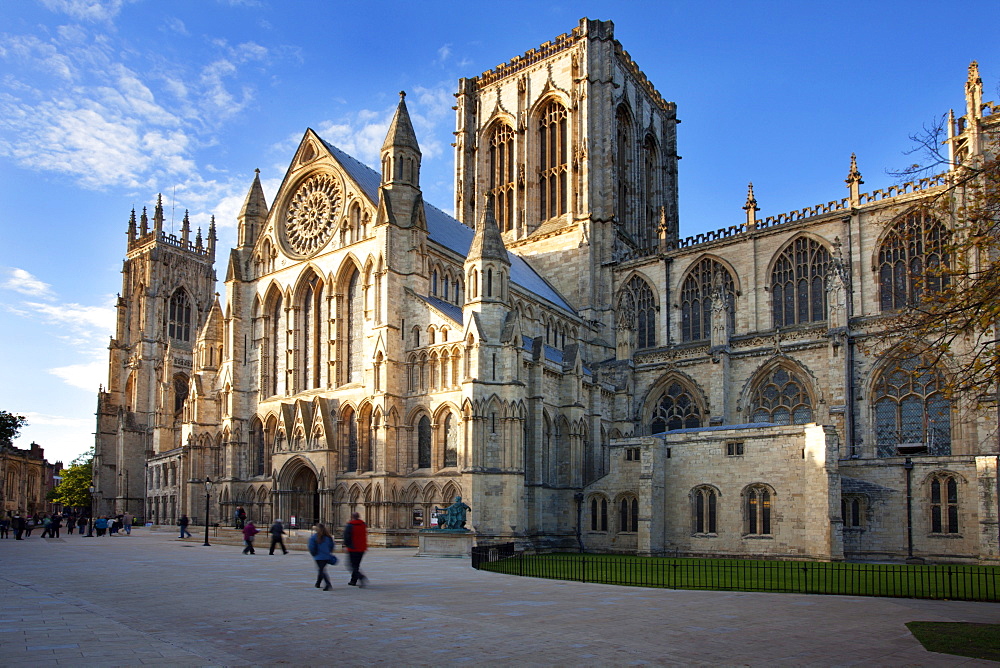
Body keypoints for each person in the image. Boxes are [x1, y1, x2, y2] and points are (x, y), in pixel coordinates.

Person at [343, 512, 368, 587]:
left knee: (351, 565)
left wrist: (346, 545)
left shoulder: (350, 525)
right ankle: (353, 581)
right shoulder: (363, 525)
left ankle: (361, 577)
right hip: (362, 548)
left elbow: (346, 537)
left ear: (352, 517)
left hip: (353, 548)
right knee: (356, 565)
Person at [308, 524, 336, 591]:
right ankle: (318, 583)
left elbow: (311, 547)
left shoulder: (314, 537)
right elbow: (332, 546)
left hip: (319, 556)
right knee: (321, 569)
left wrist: (314, 553)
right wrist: (329, 552)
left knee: (321, 570)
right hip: (326, 556)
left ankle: (328, 584)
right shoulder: (328, 537)